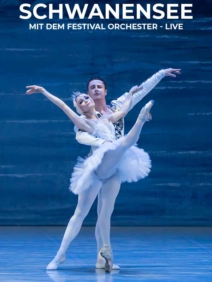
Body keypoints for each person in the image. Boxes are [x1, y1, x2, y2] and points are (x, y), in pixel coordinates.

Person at [26, 84, 154, 272]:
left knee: (105, 215)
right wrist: (44, 91)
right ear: (79, 108)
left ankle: (103, 257)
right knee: (79, 214)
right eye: (81, 101)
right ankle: (60, 255)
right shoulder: (83, 123)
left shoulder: (108, 117)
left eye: (86, 98)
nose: (85, 101)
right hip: (95, 172)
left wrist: (131, 94)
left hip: (112, 172)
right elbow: (62, 105)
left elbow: (125, 110)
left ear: (92, 101)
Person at [75, 68, 181, 269]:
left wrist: (160, 73)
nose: (96, 90)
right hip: (97, 166)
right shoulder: (85, 116)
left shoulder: (117, 106)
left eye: (99, 87)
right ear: (87, 94)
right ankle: (71, 255)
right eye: (92, 88)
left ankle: (103, 258)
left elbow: (142, 90)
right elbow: (82, 134)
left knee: (105, 212)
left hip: (115, 164)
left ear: (105, 91)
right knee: (87, 212)